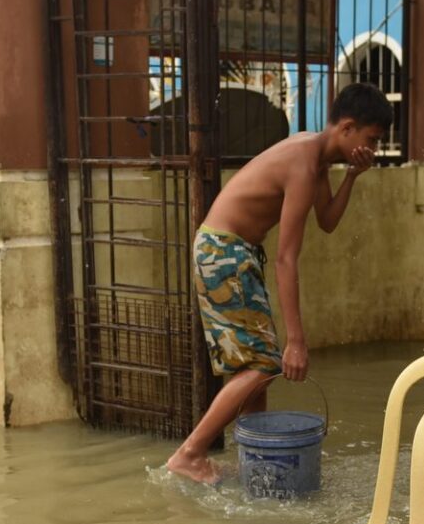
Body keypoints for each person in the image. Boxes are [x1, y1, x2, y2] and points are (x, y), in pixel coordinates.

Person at [165, 82, 393, 484]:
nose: (372, 148)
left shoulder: (316, 158)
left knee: (258, 369)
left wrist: (353, 176)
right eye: (371, 139)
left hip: (233, 252)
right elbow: (288, 258)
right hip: (225, 253)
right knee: (263, 363)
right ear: (347, 127)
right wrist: (297, 339)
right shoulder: (304, 164)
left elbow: (327, 221)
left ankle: (253, 459)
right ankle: (190, 454)